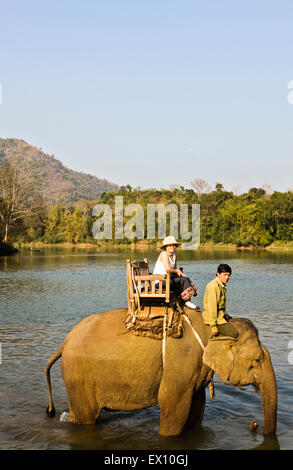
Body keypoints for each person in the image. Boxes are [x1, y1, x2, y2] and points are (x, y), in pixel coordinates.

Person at [153, 236, 197, 309]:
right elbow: (168, 269)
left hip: (168, 279)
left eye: (173, 245)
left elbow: (175, 267)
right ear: (165, 247)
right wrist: (176, 271)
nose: (172, 247)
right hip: (160, 281)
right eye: (169, 245)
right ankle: (187, 301)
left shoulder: (174, 255)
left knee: (185, 278)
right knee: (183, 280)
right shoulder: (164, 254)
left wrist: (181, 273)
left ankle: (186, 299)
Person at [202, 264, 238, 338]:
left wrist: (225, 315)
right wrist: (213, 326)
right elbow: (212, 307)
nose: (227, 277)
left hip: (220, 315)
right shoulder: (214, 286)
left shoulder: (221, 285)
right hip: (215, 318)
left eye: (229, 275)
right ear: (218, 274)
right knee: (234, 334)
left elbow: (221, 304)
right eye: (225, 275)